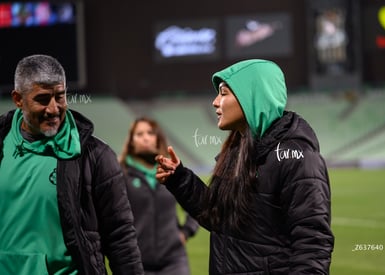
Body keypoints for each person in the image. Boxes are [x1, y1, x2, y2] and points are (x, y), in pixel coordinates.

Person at [155, 59, 335, 274]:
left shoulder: (297, 157)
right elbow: (218, 218)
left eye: (223, 93)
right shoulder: (236, 151)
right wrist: (180, 179)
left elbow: (313, 242)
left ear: (252, 97)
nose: (214, 102)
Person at [0, 54, 144, 275]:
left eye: (60, 96)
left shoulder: (95, 155)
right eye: (42, 99)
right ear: (18, 99)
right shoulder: (2, 142)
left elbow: (120, 237)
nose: (53, 108)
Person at [119, 117, 199, 275]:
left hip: (174, 260)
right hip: (136, 262)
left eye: (150, 132)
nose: (145, 137)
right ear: (131, 141)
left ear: (158, 139)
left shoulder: (170, 170)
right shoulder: (121, 173)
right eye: (139, 134)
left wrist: (186, 232)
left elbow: (195, 202)